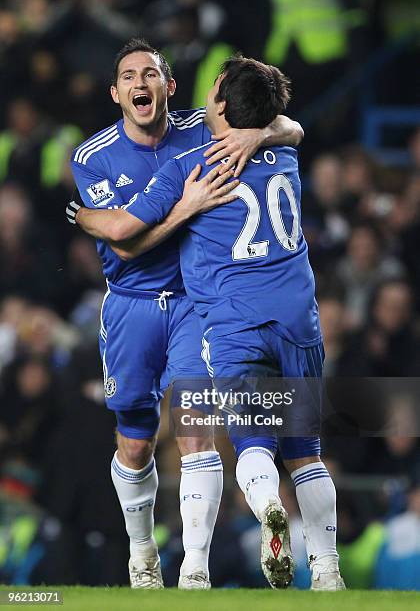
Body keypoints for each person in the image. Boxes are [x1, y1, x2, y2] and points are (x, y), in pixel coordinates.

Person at [69, 55, 344, 591]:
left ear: (172, 88)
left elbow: (286, 124)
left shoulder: (197, 138)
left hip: (206, 310)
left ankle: (194, 570)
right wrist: (259, 138)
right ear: (115, 92)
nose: (140, 83)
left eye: (150, 74)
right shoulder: (93, 154)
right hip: (136, 306)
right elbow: (123, 247)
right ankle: (144, 550)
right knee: (137, 442)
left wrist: (254, 136)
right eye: (127, 75)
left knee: (201, 436)